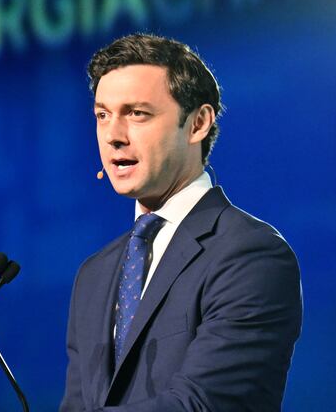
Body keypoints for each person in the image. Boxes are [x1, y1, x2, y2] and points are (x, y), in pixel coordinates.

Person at [60, 33, 302, 411]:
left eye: (136, 113)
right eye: (102, 115)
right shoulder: (94, 275)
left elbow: (200, 406)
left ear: (197, 123)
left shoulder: (251, 255)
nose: (113, 136)